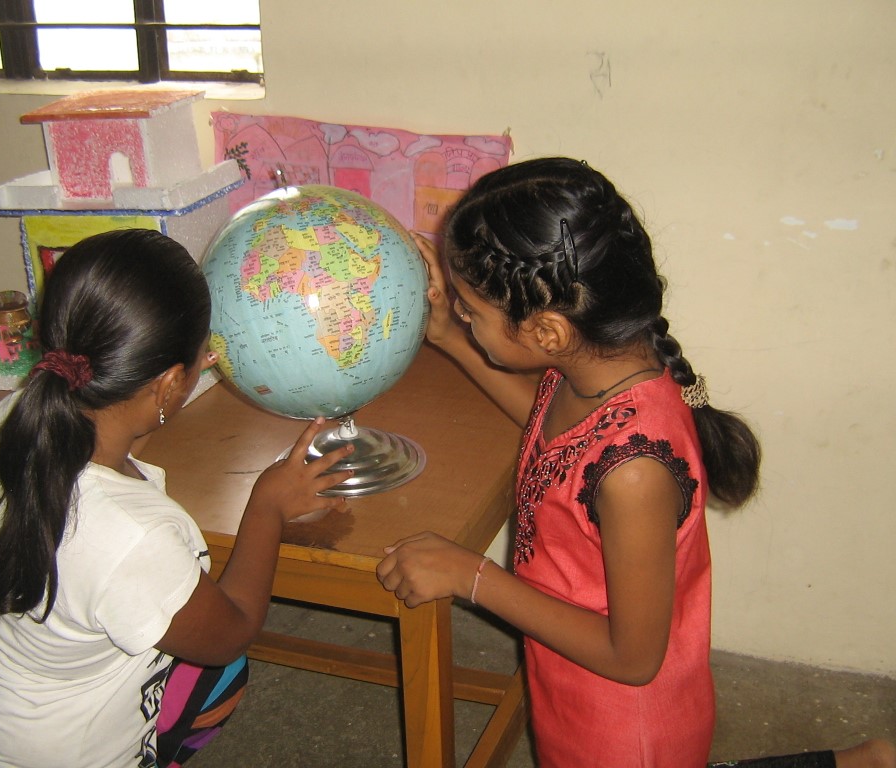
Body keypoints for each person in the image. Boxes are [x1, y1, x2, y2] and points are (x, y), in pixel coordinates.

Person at [376, 158, 896, 768]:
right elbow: (550, 428)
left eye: (471, 310)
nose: (464, 316)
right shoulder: (597, 369)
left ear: (546, 332)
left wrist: (471, 576)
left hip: (624, 730)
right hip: (571, 678)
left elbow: (633, 658)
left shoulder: (635, 471)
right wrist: (449, 336)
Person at [0, 228, 354, 767]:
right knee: (222, 671)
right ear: (169, 383)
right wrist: (267, 506)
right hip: (62, 757)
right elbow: (231, 633)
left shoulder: (12, 421)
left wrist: (166, 395)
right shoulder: (135, 538)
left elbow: (107, 459)